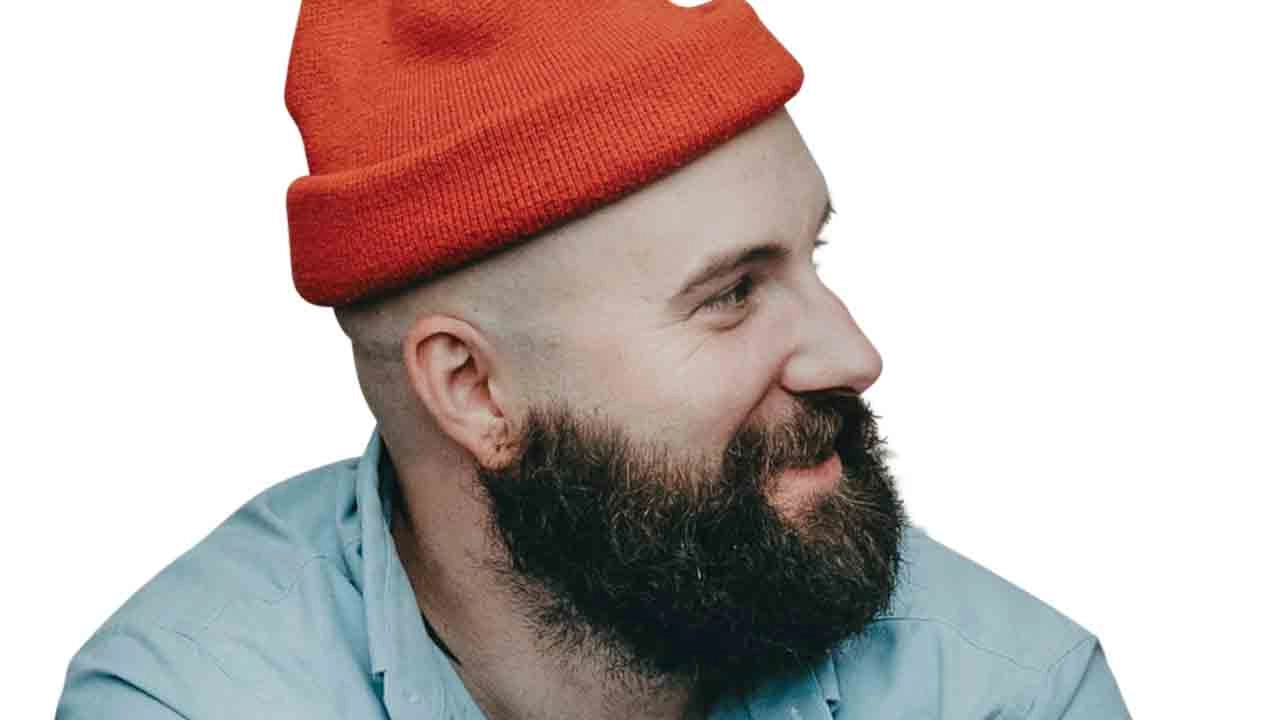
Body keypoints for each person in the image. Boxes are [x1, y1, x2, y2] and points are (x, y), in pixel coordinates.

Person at [56, 1, 1129, 718]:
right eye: (730, 294)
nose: (853, 354)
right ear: (474, 390)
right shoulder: (191, 698)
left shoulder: (1005, 693)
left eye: (812, 257)